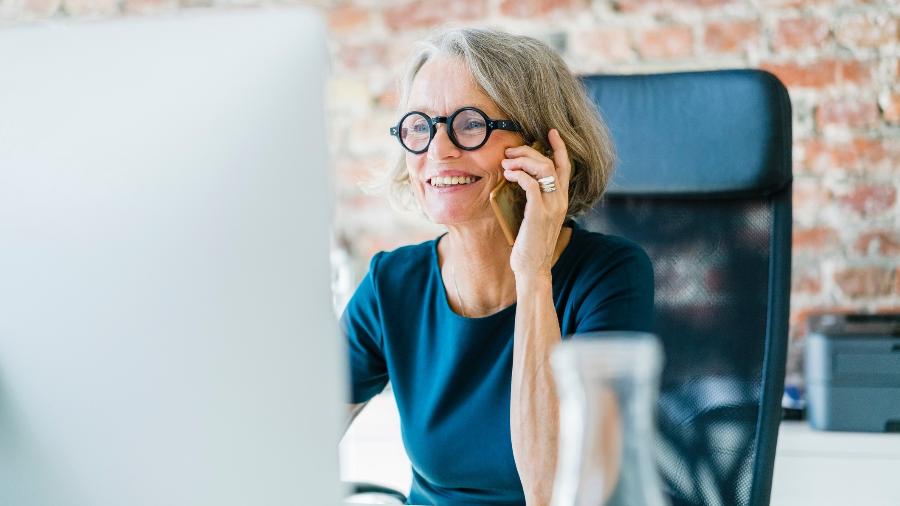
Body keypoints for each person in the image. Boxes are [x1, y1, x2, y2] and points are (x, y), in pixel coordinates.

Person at [341, 28, 654, 506]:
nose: (438, 150)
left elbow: (553, 492)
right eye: (420, 125)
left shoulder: (608, 276)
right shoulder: (392, 286)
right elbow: (284, 444)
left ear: (544, 149)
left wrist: (532, 273)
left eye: (471, 124)